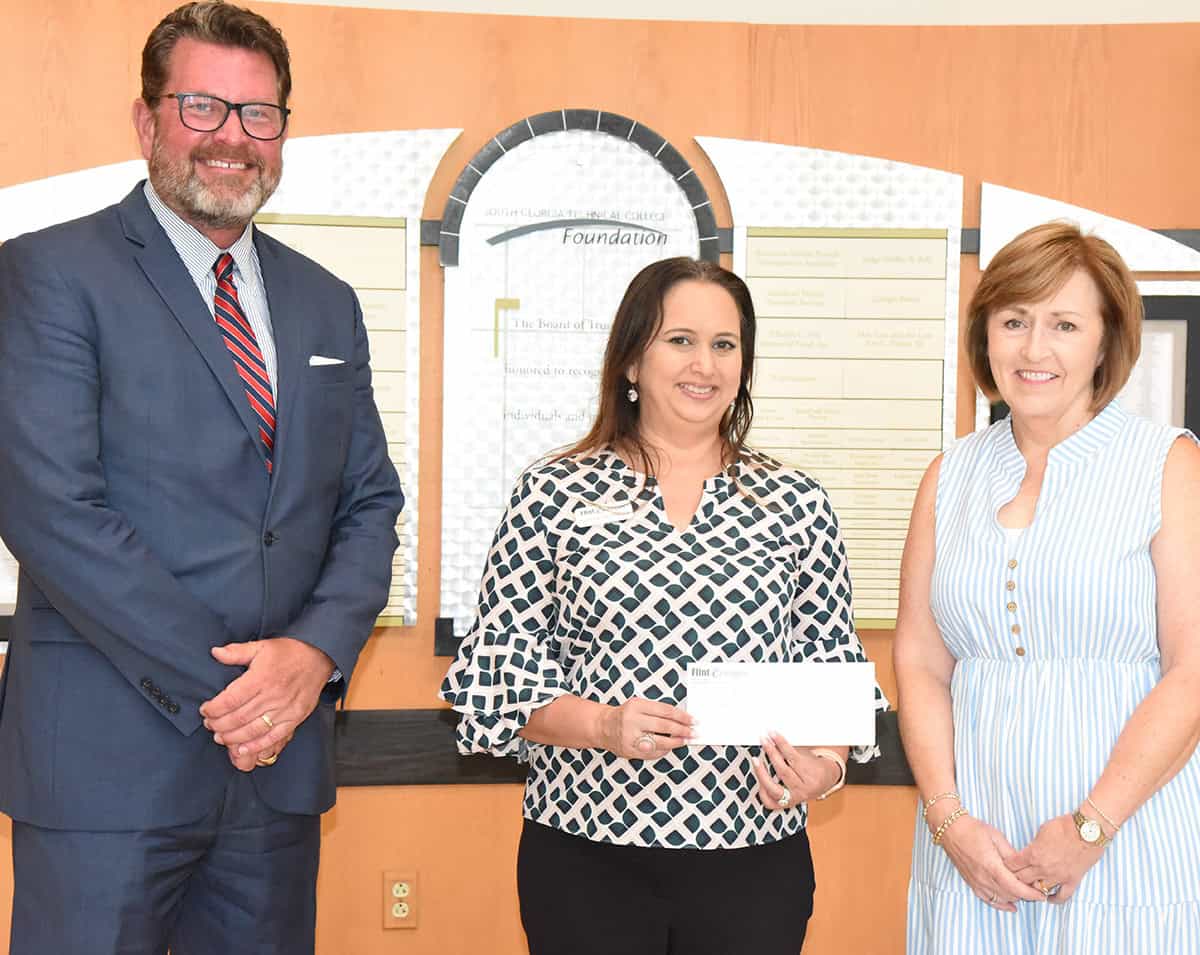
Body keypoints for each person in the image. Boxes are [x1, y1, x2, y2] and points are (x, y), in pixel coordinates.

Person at [0, 3, 403, 952]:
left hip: (275, 779)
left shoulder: (325, 302)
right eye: (202, 107)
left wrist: (310, 659)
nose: (232, 138)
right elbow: (54, 511)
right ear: (147, 122)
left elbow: (369, 502)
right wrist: (241, 696)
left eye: (259, 114)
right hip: (106, 769)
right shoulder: (50, 274)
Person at [441, 256, 887, 955]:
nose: (703, 364)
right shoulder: (553, 492)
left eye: (724, 344)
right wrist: (601, 723)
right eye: (680, 339)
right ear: (630, 360)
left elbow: (831, 668)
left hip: (754, 861)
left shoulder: (797, 502)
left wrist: (823, 768)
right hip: (586, 856)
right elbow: (498, 674)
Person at [895, 222, 1200, 952]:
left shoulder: (1167, 463)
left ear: (1106, 340)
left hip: (1124, 838)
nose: (1035, 349)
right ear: (986, 334)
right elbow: (920, 661)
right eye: (1014, 321)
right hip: (975, 851)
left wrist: (1091, 824)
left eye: (1064, 323)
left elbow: (1192, 669)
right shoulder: (949, 475)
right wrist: (950, 822)